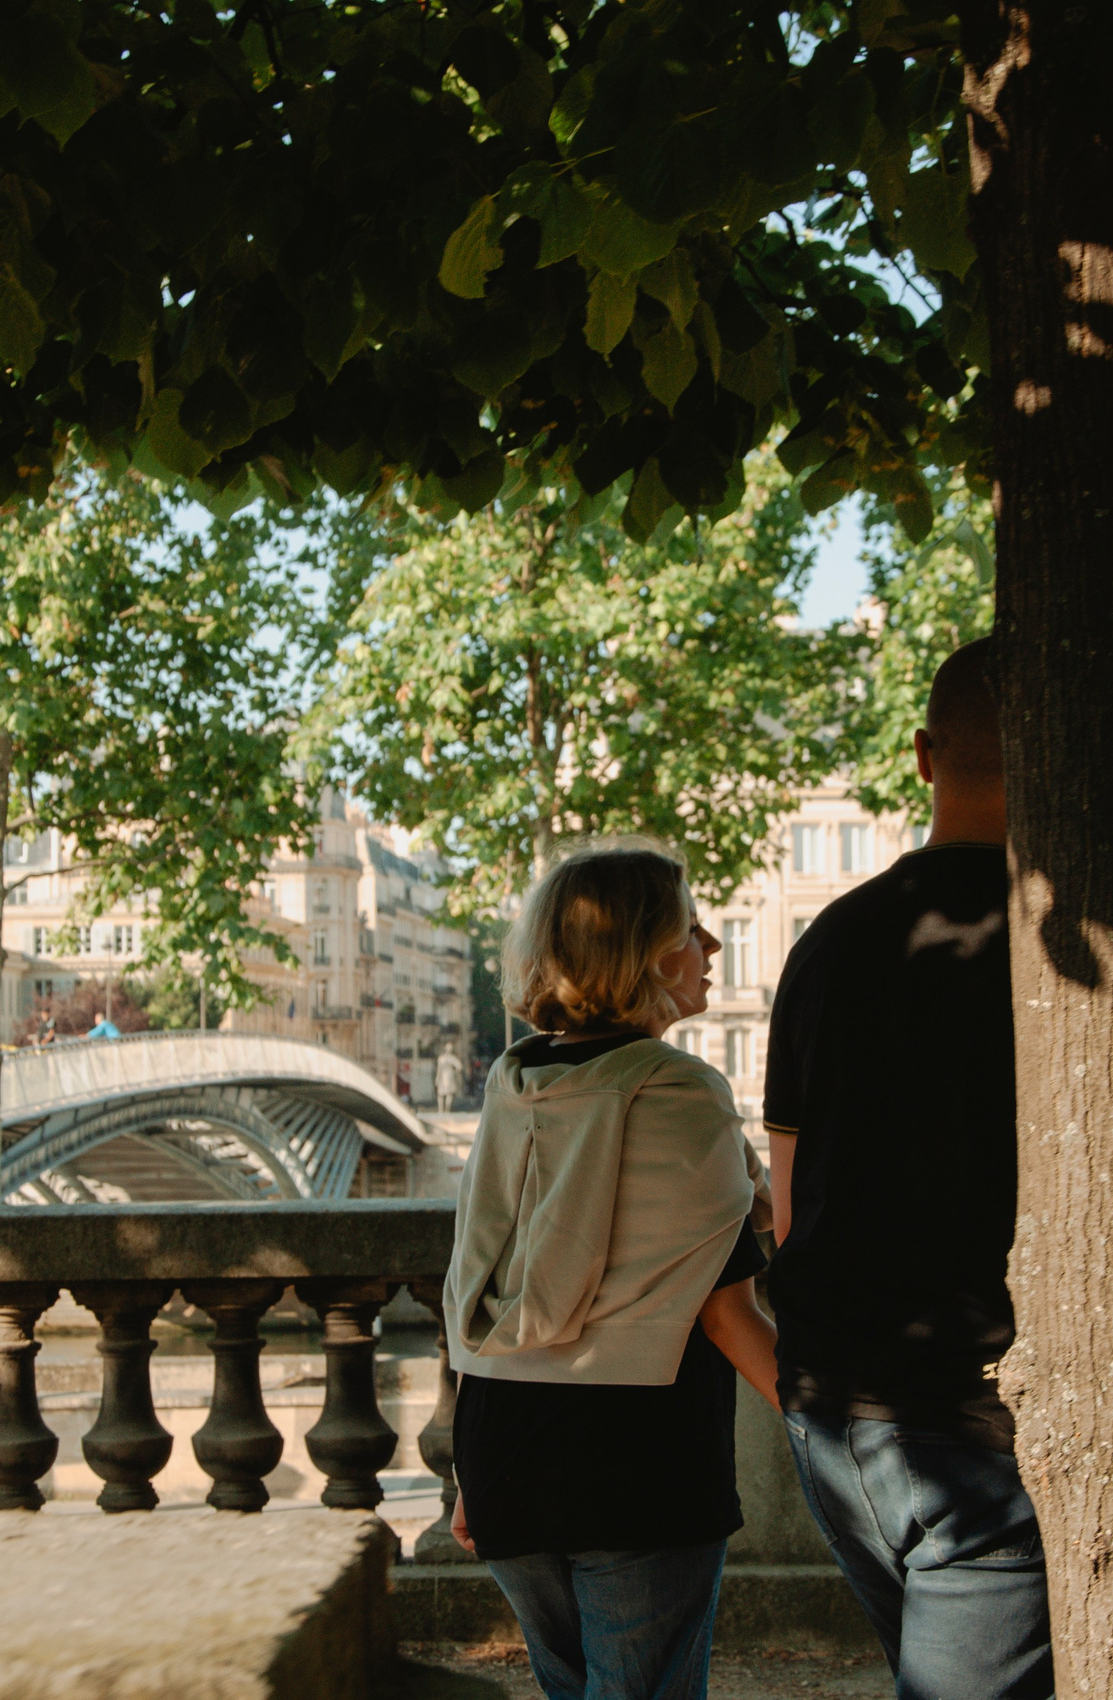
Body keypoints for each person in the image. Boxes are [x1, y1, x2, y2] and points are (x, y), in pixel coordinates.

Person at [762, 637, 1052, 1700]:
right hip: (974, 1417)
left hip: (836, 1412)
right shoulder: (1067, 945)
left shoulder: (826, 943)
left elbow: (788, 1200)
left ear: (924, 756)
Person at [442, 843, 779, 1700]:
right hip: (634, 1462)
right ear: (647, 955)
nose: (711, 946)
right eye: (691, 928)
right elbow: (726, 1317)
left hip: (504, 1445)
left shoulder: (513, 1084)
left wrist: (465, 1469)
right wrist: (843, 1429)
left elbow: (484, 1270)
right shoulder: (681, 1090)